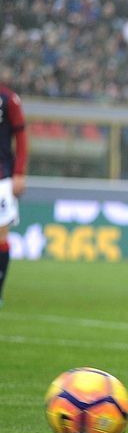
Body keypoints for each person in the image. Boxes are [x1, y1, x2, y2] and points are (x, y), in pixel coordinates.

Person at [0, 82, 29, 308]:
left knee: (1, 237)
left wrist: (19, 173)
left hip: (2, 178)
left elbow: (21, 137)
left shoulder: (8, 99)